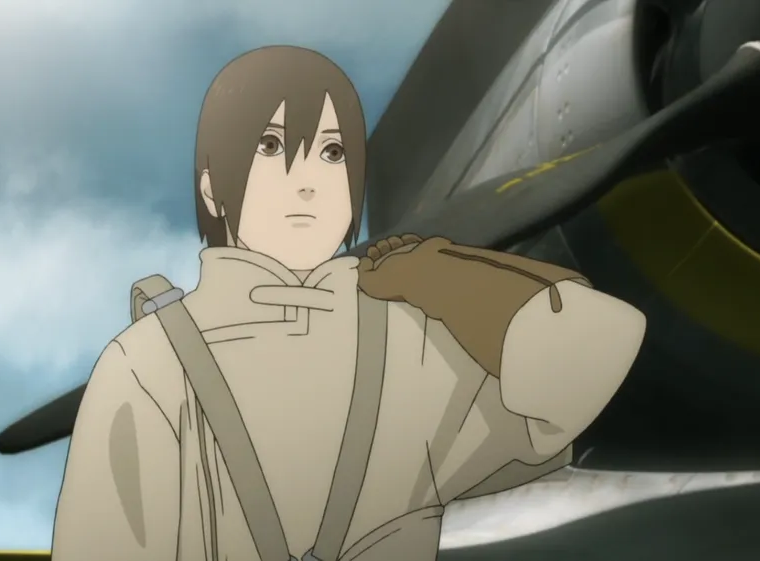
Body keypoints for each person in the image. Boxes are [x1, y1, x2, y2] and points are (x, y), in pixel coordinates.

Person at [51, 45, 647, 561]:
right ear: (211, 187)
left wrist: (445, 278)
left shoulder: (411, 348)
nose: (307, 178)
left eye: (332, 153)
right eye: (272, 145)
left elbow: (596, 353)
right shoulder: (148, 367)